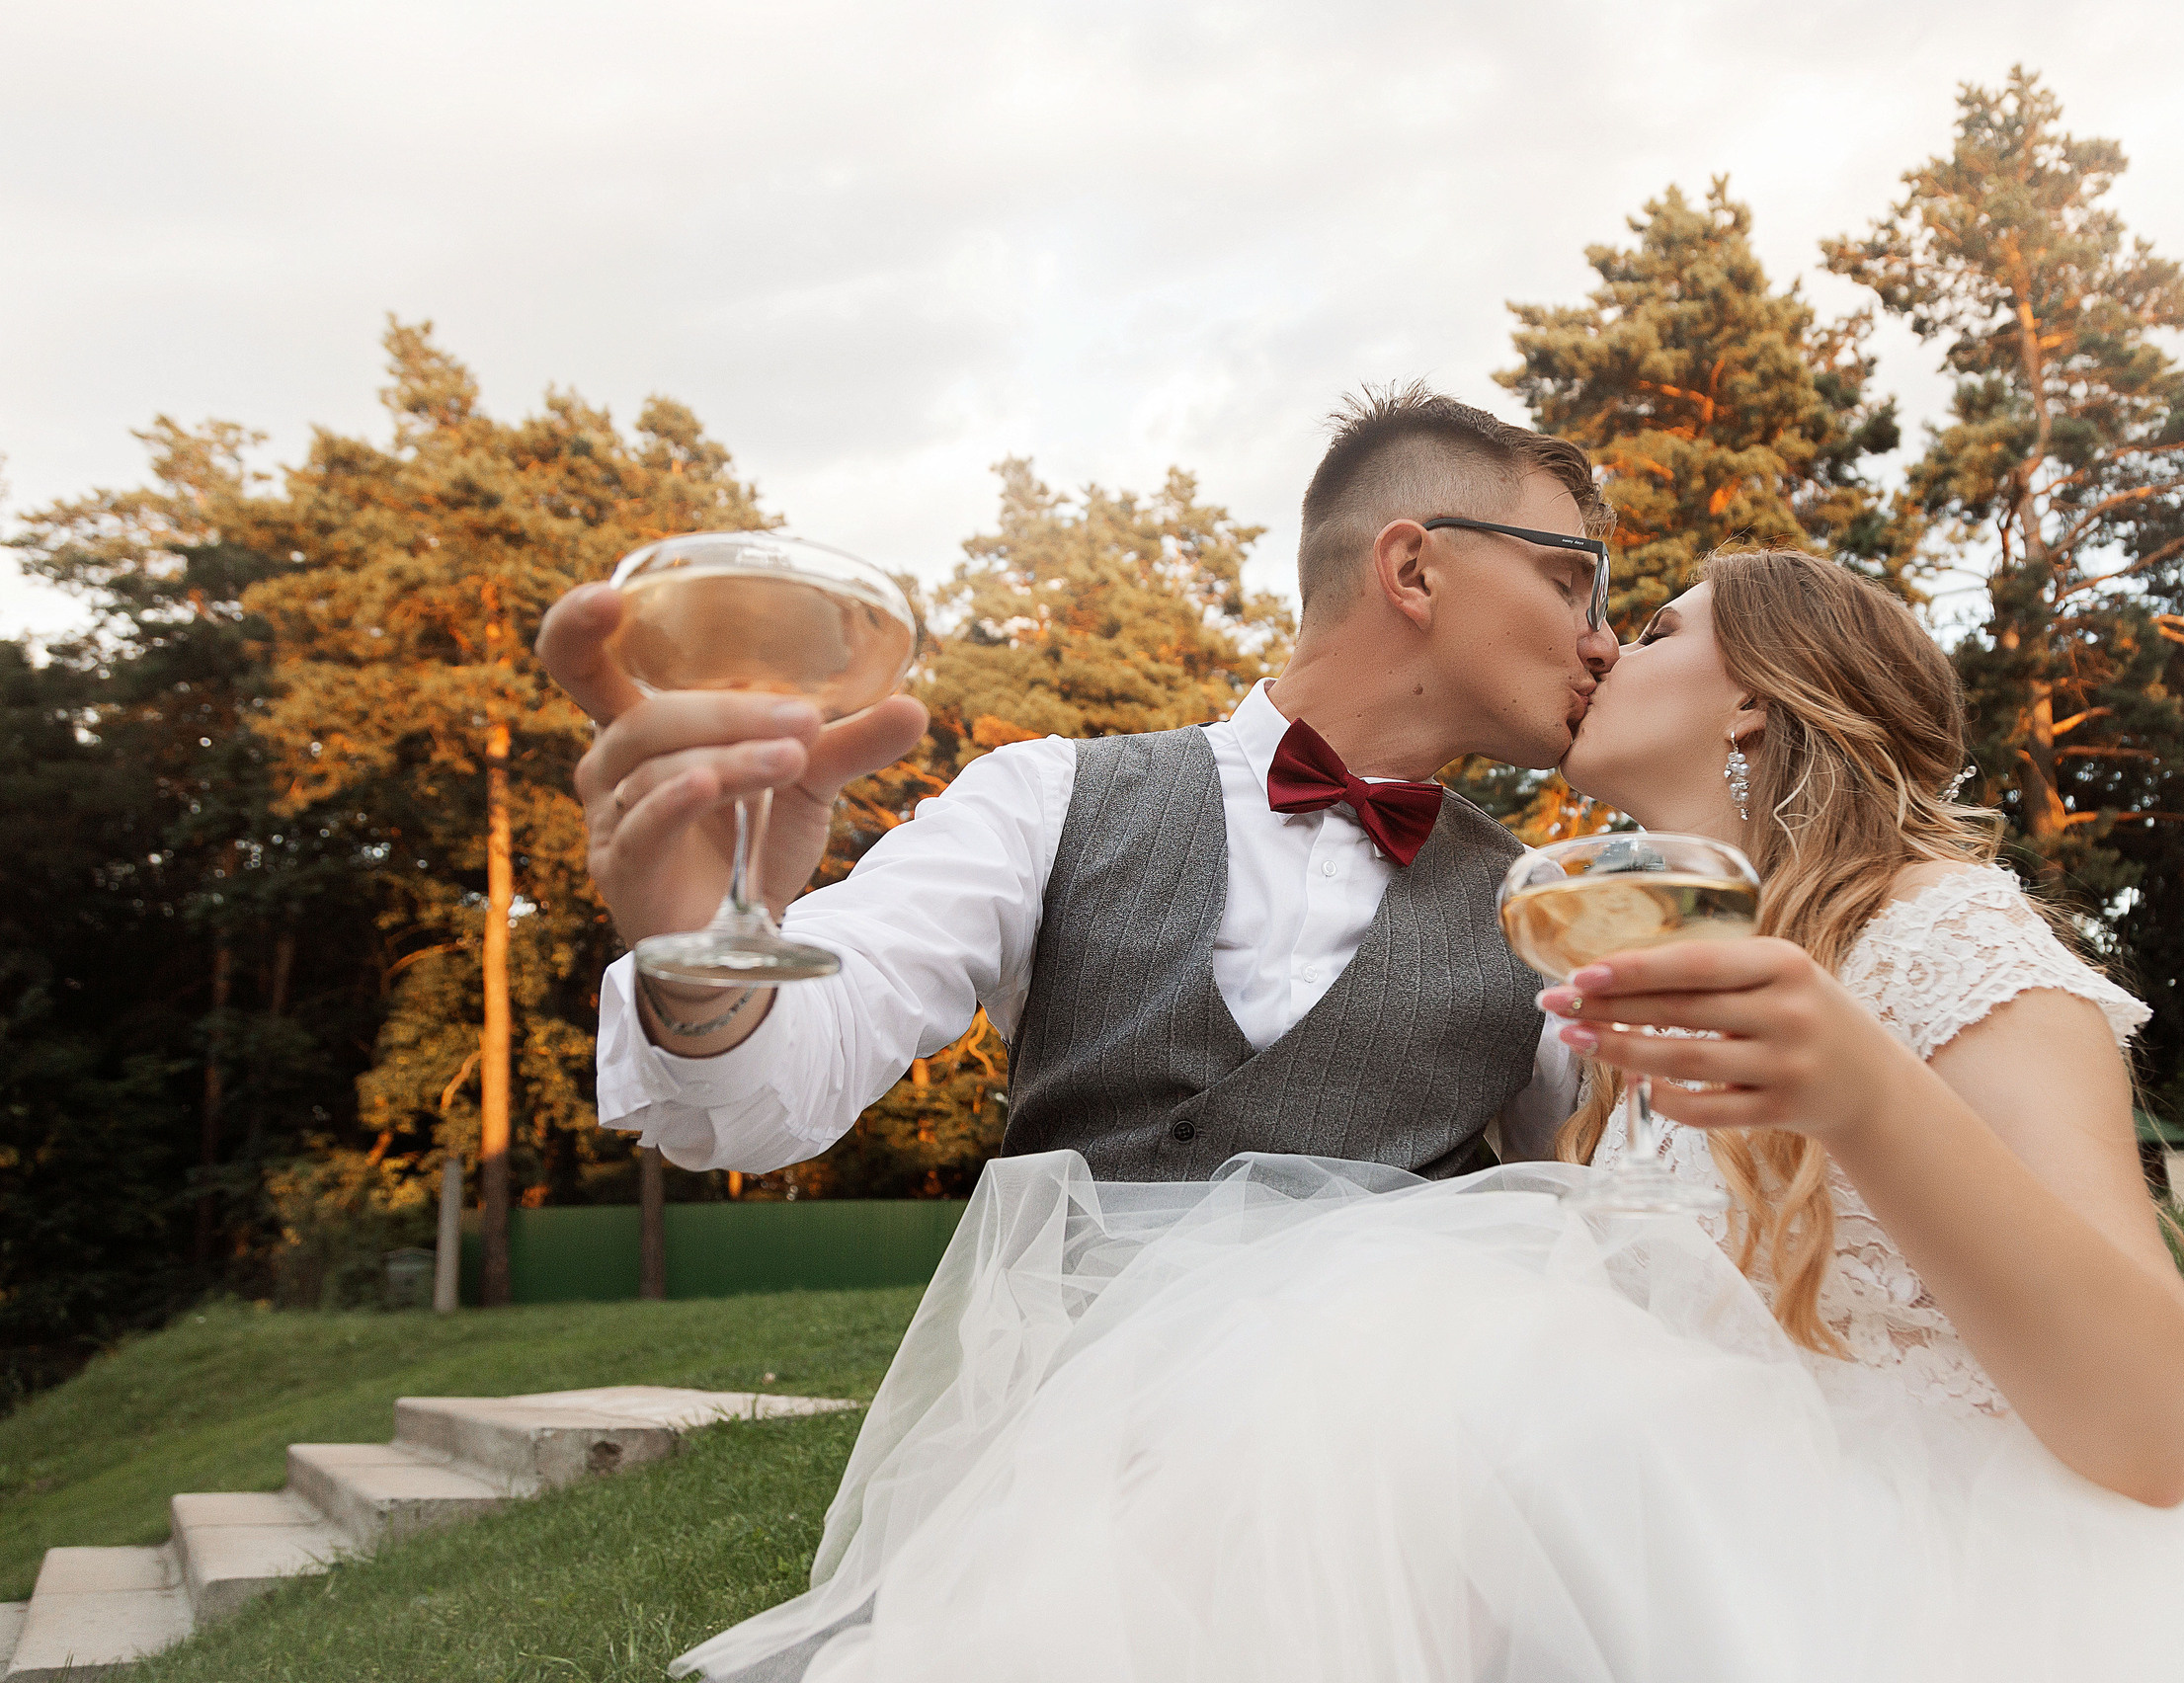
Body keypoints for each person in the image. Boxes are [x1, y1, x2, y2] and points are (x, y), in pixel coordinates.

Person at [674, 547, 2184, 1683]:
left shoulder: (1950, 938)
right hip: (1675, 1526)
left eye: (1650, 625)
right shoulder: (1627, 985)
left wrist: (1859, 1085)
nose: (1596, 649)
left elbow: (2154, 1425)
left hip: (1945, 1570)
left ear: (1758, 710)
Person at [540, 384, 1614, 1185]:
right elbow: (772, 1096)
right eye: (1571, 582)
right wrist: (702, 963)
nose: (1602, 641)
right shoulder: (1045, 799)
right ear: (1414, 570)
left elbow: (1619, 1207)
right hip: (1078, 1413)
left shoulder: (1549, 912)